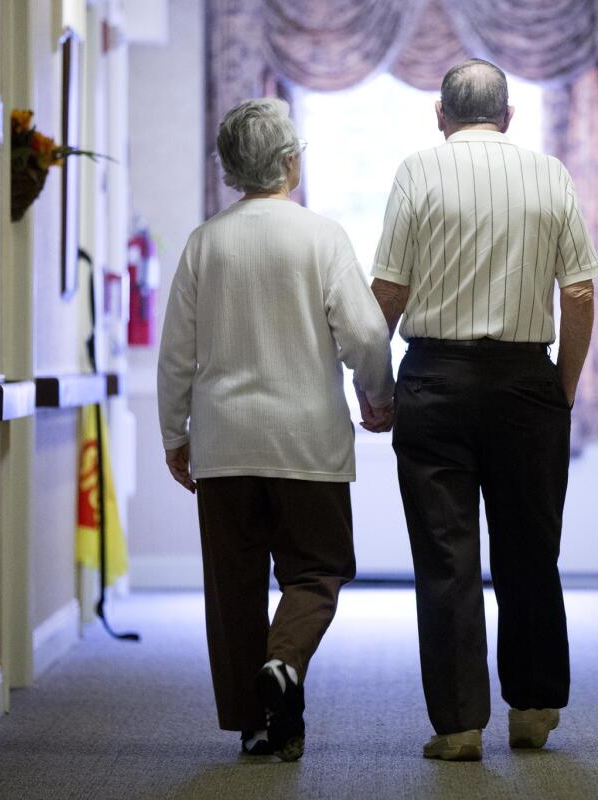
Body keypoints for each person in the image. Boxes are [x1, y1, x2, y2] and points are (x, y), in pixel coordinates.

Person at [367, 59, 598, 761]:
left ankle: (460, 725)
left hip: (435, 378)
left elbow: (386, 293)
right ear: (509, 116)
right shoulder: (550, 173)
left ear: (440, 115)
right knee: (531, 551)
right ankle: (532, 710)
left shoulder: (418, 171)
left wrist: (377, 389)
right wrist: (561, 386)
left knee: (446, 557)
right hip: (527, 381)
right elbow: (581, 295)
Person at [157, 98, 394, 762]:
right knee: (318, 571)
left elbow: (177, 351)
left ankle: (257, 724)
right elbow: (367, 334)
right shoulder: (321, 237)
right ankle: (285, 663)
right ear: (290, 161)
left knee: (233, 588)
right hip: (306, 443)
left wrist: (175, 433)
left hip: (225, 443)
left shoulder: (205, 242)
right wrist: (377, 397)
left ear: (232, 168)